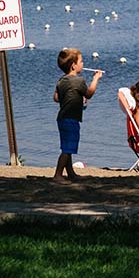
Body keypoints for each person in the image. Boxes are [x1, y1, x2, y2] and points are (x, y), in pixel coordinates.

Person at [53, 48, 102, 182]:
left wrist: (73, 97)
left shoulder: (61, 80)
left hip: (62, 118)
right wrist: (96, 79)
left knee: (67, 146)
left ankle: (70, 173)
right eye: (81, 61)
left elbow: (56, 97)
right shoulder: (78, 81)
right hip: (70, 119)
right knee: (68, 149)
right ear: (73, 65)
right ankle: (58, 174)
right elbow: (89, 93)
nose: (83, 64)